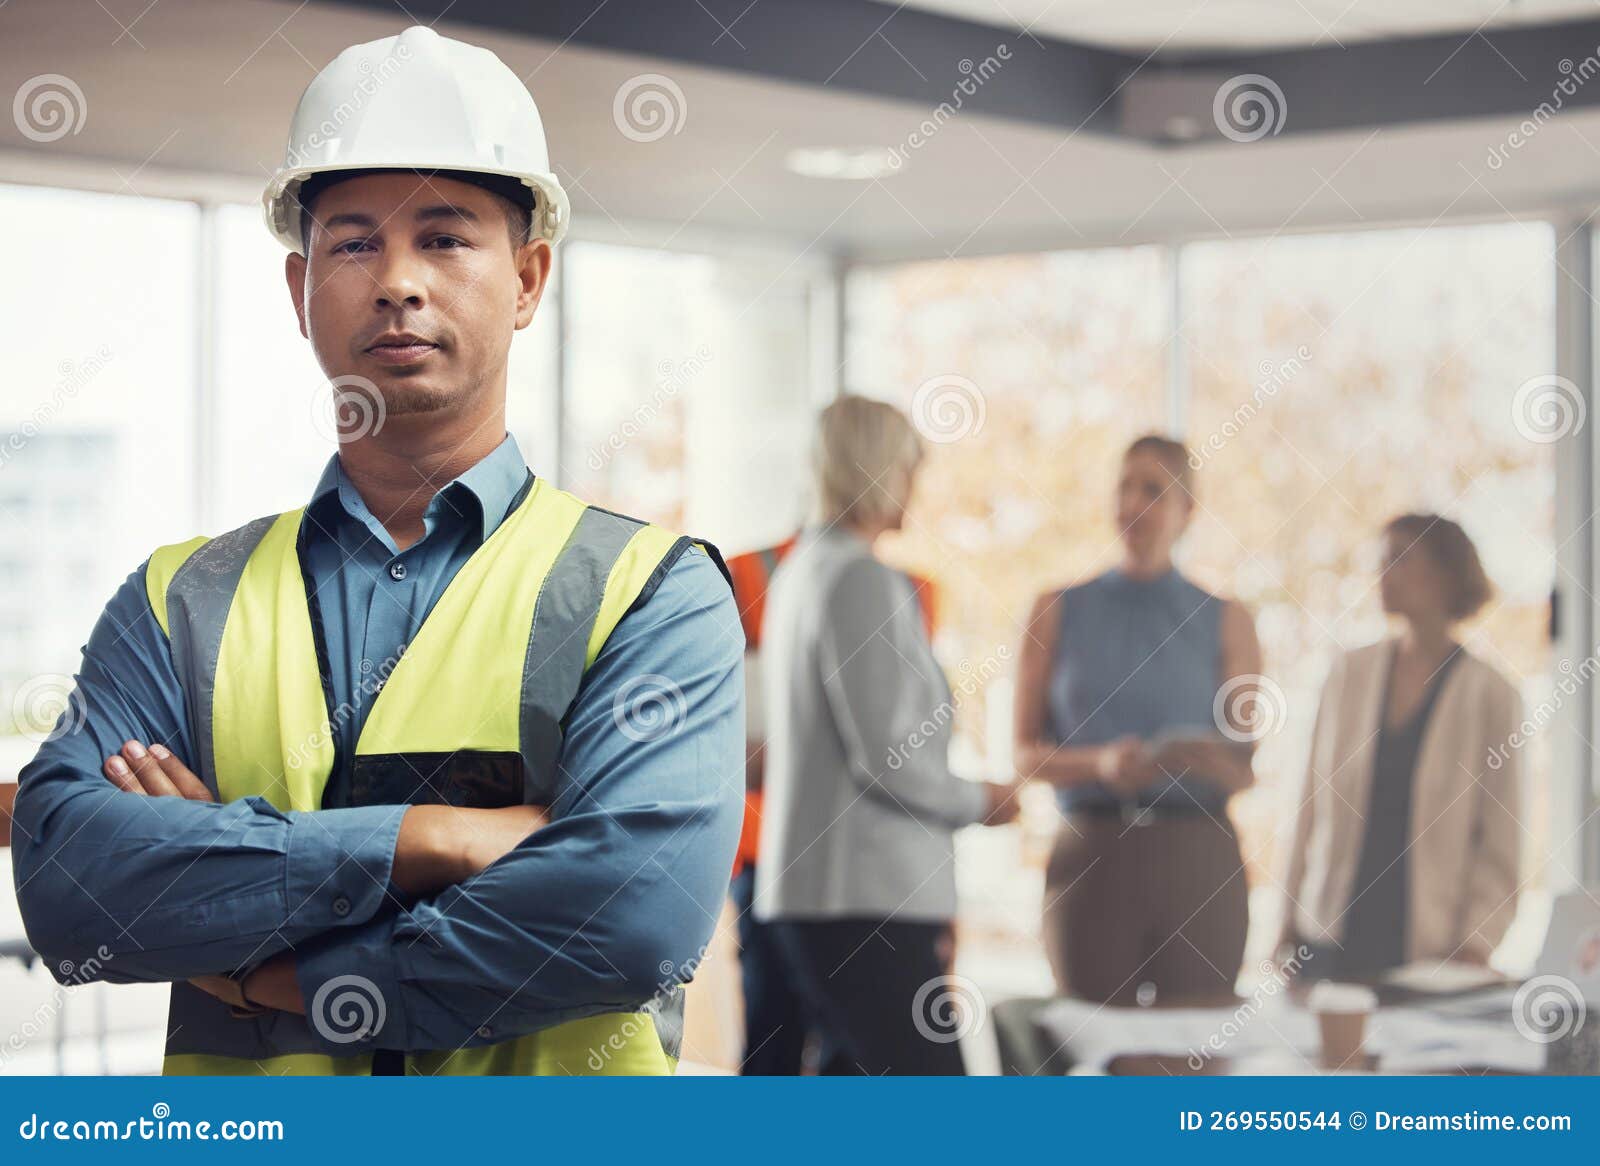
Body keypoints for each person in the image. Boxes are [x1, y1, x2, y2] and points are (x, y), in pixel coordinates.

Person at [10, 25, 743, 1077]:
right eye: (355, 242)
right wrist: (430, 840)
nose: (398, 279)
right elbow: (71, 888)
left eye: (445, 238)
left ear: (528, 279)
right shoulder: (181, 599)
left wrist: (275, 973)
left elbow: (628, 917)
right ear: (300, 287)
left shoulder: (651, 595)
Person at [753, 395, 1017, 1075]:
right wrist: (981, 802)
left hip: (825, 897)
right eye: (906, 470)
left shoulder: (804, 573)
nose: (913, 489)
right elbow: (888, 757)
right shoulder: (861, 579)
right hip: (865, 902)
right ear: (874, 469)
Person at [1014, 434, 1262, 1006]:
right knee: (1095, 1055)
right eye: (1123, 487)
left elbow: (1245, 768)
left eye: (1153, 490)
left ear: (1187, 511)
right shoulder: (1055, 610)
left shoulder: (1229, 621)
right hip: (1092, 858)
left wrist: (1200, 760)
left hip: (1200, 861)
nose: (1132, 505)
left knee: (1197, 1055)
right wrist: (1100, 763)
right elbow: (1025, 755)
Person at [725, 536, 938, 1074]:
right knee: (774, 1038)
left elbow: (911, 742)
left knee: (853, 1057)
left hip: (870, 873)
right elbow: (730, 741)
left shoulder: (914, 591)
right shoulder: (748, 573)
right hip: (772, 857)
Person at [1278, 514, 1523, 978]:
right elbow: (1308, 807)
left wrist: (1476, 945)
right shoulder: (1347, 674)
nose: (1383, 573)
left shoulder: (1491, 695)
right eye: (1382, 560)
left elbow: (1501, 844)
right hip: (1327, 939)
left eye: (1399, 559)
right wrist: (1284, 924)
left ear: (1445, 574)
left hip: (1429, 953)